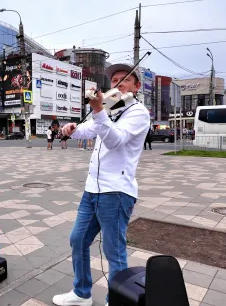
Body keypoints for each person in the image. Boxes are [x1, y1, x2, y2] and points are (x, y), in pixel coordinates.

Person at [53, 63, 150, 306]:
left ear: (136, 86)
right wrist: (71, 130)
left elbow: (115, 140)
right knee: (78, 240)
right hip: (92, 189)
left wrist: (98, 111)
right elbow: (87, 129)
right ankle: (81, 293)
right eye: (114, 79)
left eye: (124, 79)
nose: (118, 83)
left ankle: (115, 300)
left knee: (113, 251)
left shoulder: (138, 112)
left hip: (116, 192)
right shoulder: (110, 108)